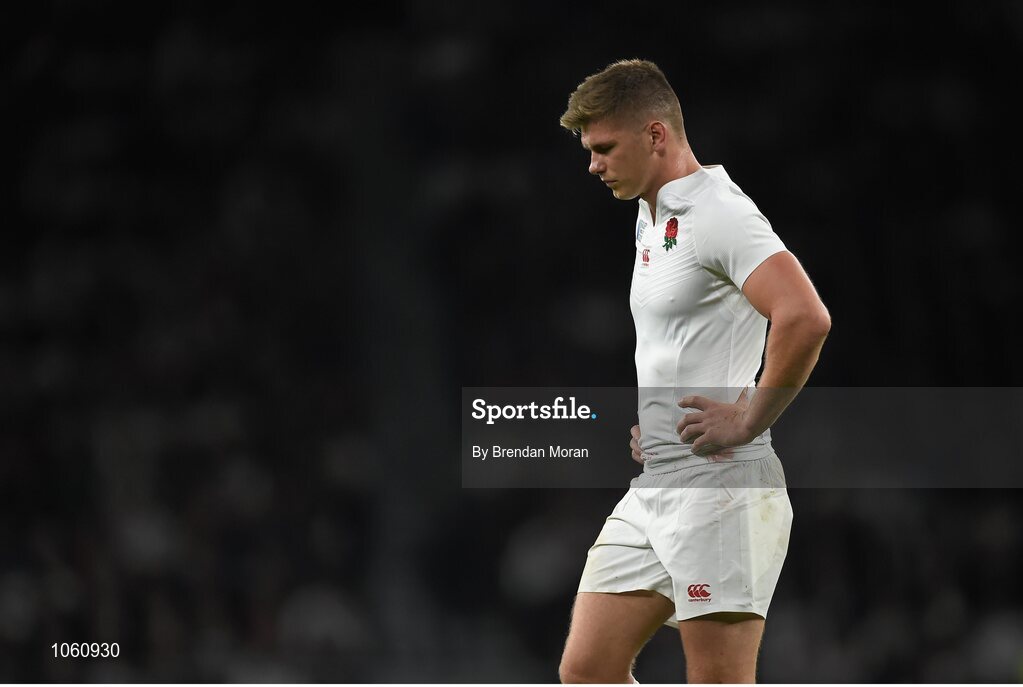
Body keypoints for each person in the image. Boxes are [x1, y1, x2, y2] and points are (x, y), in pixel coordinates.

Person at [556, 59, 830, 684]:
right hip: (657, 481)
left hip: (722, 487)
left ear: (655, 135)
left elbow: (805, 316)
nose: (593, 165)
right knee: (587, 669)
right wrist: (657, 422)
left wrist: (748, 416)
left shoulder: (719, 212)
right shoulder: (650, 217)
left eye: (603, 148)